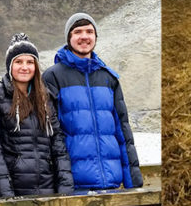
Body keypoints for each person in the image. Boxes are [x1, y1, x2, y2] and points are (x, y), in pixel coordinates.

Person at [43, 13, 143, 190]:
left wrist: (134, 184)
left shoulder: (109, 78)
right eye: (77, 31)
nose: (84, 36)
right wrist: (62, 184)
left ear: (95, 37)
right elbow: (51, 136)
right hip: (73, 186)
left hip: (111, 184)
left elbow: (123, 133)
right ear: (69, 38)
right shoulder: (53, 77)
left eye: (89, 31)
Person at [0, 33, 74, 197]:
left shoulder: (45, 98)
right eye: (18, 61)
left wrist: (65, 189)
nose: (24, 67)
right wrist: (5, 193)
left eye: (30, 62)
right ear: (9, 65)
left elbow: (58, 145)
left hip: (48, 187)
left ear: (36, 66)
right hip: (15, 188)